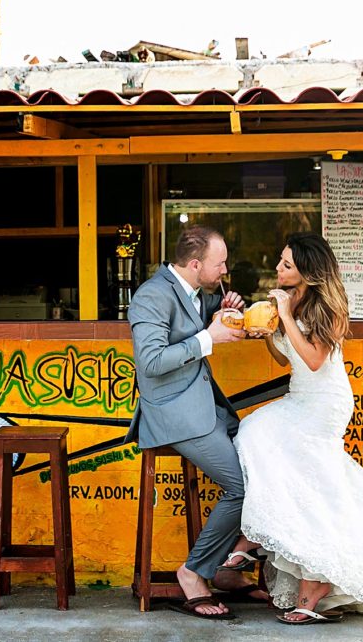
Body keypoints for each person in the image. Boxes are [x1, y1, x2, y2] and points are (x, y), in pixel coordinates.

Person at [226, 232, 363, 630]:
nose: (278, 269)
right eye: (280, 262)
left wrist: (283, 314)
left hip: (324, 404)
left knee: (306, 478)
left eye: (286, 265)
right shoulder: (291, 299)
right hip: (300, 398)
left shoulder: (327, 304)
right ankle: (263, 538)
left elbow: (314, 360)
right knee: (256, 437)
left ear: (308, 272)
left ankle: (287, 566)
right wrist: (267, 334)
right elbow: (286, 359)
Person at [125, 224, 267, 620]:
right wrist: (209, 337)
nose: (224, 271)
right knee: (240, 487)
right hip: (175, 415)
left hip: (207, 409)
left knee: (268, 463)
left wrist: (223, 312)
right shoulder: (151, 296)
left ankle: (227, 567)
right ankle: (195, 572)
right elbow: (151, 363)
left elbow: (194, 322)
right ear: (194, 263)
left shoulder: (191, 291)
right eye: (219, 265)